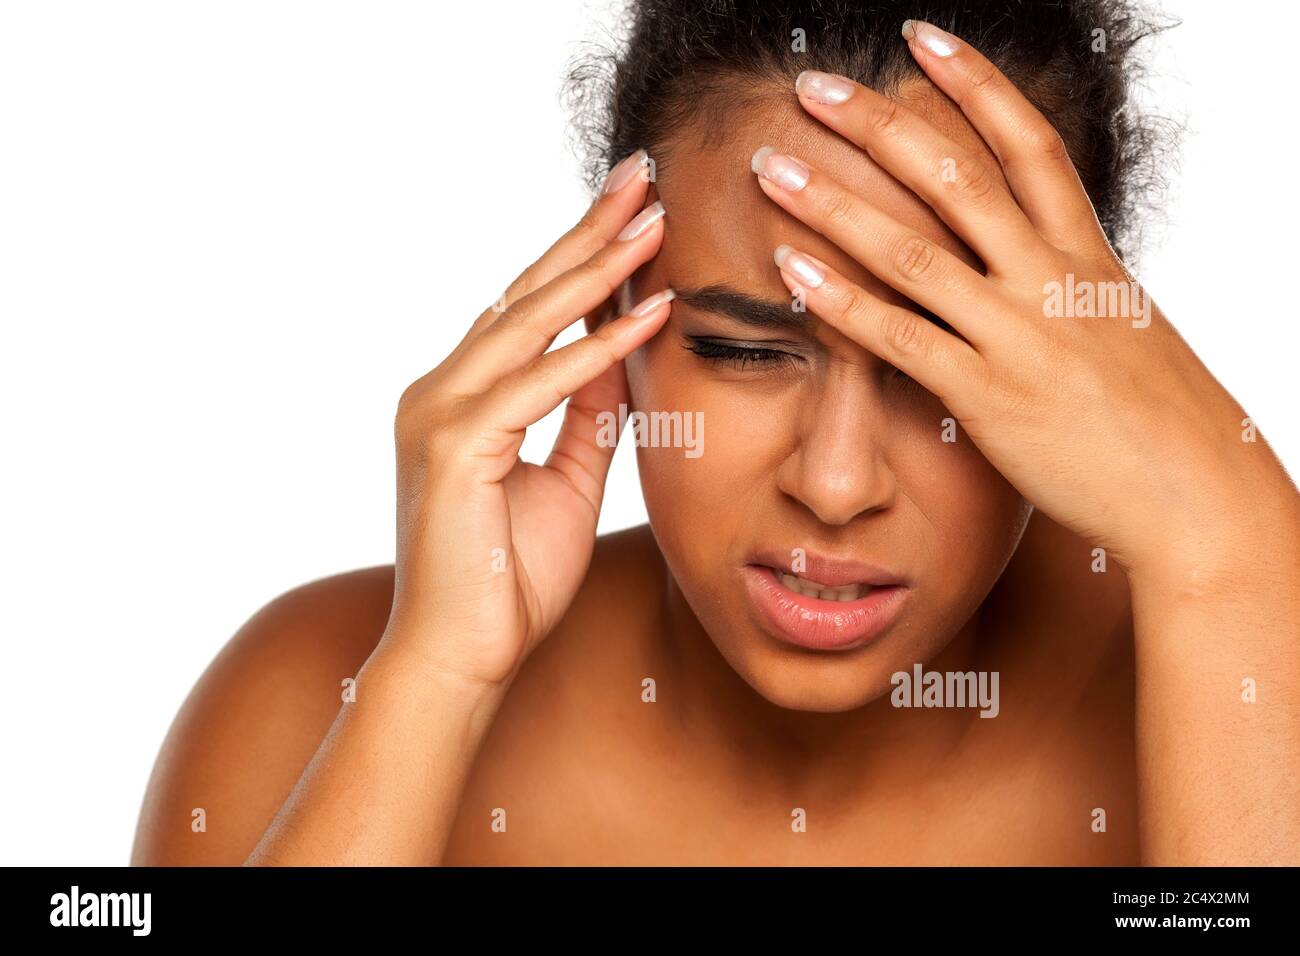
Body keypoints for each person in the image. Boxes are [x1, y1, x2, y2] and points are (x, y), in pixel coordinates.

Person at [131, 1, 1300, 866]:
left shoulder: (1244, 667)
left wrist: (1240, 553)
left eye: (945, 367)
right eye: (746, 351)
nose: (836, 486)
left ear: (1093, 369)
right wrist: (431, 683)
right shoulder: (310, 695)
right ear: (612, 322)